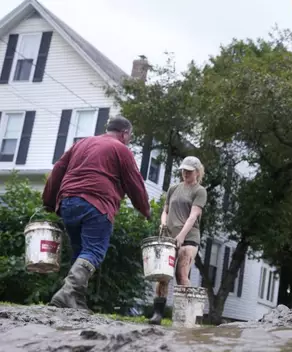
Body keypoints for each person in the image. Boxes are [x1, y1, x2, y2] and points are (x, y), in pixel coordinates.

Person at [42, 116, 151, 311]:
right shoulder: (121, 149)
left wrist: (49, 201)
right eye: (130, 136)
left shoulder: (81, 143)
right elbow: (135, 183)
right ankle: (67, 293)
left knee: (80, 253)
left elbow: (58, 169)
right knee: (93, 251)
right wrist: (145, 210)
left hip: (68, 202)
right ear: (125, 133)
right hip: (96, 203)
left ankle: (76, 301)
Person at [148, 156, 208, 325]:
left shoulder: (199, 191)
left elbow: (193, 215)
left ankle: (187, 317)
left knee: (181, 275)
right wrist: (162, 223)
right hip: (168, 236)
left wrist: (181, 236)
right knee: (163, 275)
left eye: (189, 171)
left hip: (189, 238)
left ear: (197, 172)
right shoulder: (174, 188)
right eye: (183, 170)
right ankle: (157, 314)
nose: (185, 173)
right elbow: (165, 211)